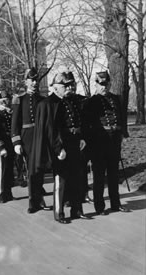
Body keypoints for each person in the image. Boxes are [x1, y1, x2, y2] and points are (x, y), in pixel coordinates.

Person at [84, 70, 130, 215]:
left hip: (114, 139)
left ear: (110, 84)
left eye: (106, 84)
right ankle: (100, 206)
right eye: (101, 84)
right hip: (99, 141)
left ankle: (116, 204)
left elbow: (122, 117)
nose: (104, 87)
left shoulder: (117, 99)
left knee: (113, 174)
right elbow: (87, 125)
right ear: (96, 85)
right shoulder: (91, 102)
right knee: (99, 175)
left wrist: (122, 132)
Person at [49, 71, 89, 222]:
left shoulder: (72, 101)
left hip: (75, 142)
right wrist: (58, 148)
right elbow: (52, 129)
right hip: (62, 143)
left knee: (77, 177)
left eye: (70, 85)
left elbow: (78, 122)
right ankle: (59, 213)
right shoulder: (53, 103)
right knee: (61, 179)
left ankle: (77, 210)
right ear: (57, 87)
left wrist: (82, 137)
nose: (68, 88)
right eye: (65, 85)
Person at [11, 67, 50, 213]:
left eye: (36, 80)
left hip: (40, 137)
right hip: (27, 138)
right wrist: (16, 142)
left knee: (40, 170)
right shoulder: (19, 100)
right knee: (31, 171)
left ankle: (40, 199)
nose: (34, 83)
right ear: (26, 81)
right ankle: (33, 203)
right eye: (31, 80)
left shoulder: (42, 100)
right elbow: (15, 123)